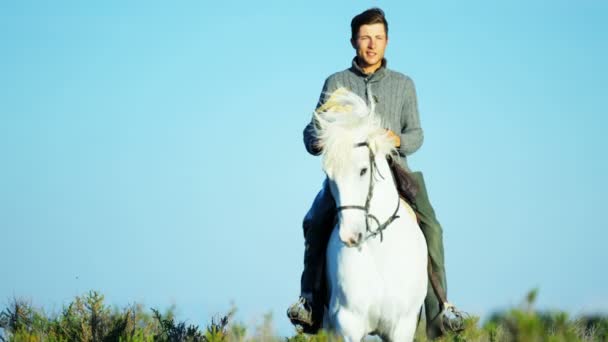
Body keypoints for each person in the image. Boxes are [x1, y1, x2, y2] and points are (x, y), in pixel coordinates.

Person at [287, 8, 457, 339]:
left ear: (387, 42)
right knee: (314, 221)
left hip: (398, 173)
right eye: (365, 37)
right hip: (347, 177)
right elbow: (312, 129)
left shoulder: (404, 84)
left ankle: (441, 310)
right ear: (353, 40)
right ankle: (309, 302)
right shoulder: (336, 83)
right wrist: (319, 139)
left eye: (378, 38)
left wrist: (398, 139)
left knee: (433, 227)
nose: (372, 44)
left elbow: (417, 134)